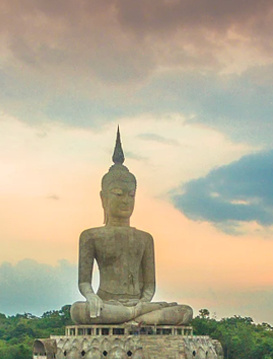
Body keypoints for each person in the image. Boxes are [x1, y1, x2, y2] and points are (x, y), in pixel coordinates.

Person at [69, 131, 193, 326]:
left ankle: (133, 316)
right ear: (103, 198)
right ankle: (138, 317)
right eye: (118, 194)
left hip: (138, 303)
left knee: (185, 312)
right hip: (105, 304)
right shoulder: (91, 236)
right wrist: (92, 297)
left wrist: (143, 302)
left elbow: (149, 286)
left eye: (131, 195)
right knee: (78, 310)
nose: (125, 200)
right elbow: (84, 283)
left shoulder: (145, 239)